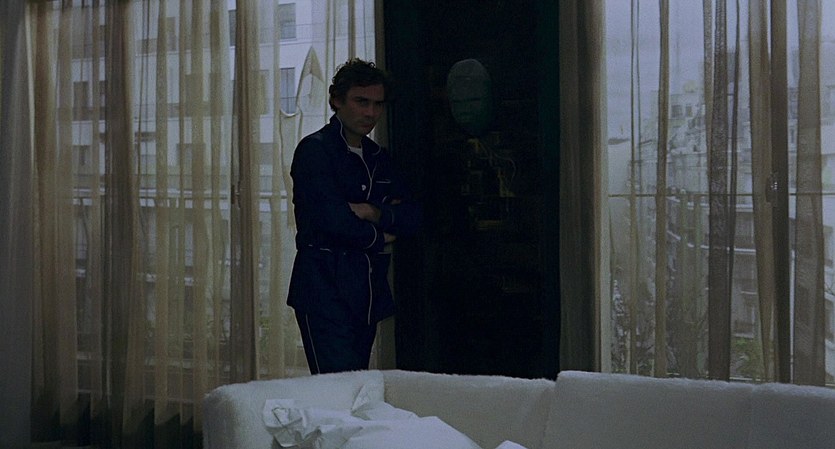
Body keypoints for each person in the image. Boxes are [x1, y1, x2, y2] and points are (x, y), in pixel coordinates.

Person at [287, 58, 421, 374]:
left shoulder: (379, 158)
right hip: (324, 288)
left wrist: (372, 211)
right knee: (336, 386)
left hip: (367, 293)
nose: (370, 113)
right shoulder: (315, 150)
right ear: (337, 100)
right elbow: (333, 222)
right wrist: (382, 234)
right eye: (361, 102)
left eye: (378, 104)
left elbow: (412, 217)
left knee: (357, 381)